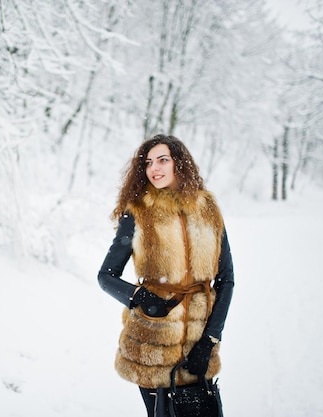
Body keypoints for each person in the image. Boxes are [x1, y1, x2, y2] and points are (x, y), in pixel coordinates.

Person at [97, 134, 234, 417]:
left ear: (179, 163)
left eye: (163, 160)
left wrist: (210, 340)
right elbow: (106, 275)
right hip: (152, 344)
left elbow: (226, 279)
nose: (154, 169)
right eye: (148, 163)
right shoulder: (138, 212)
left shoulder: (208, 209)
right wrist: (139, 297)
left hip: (199, 343)